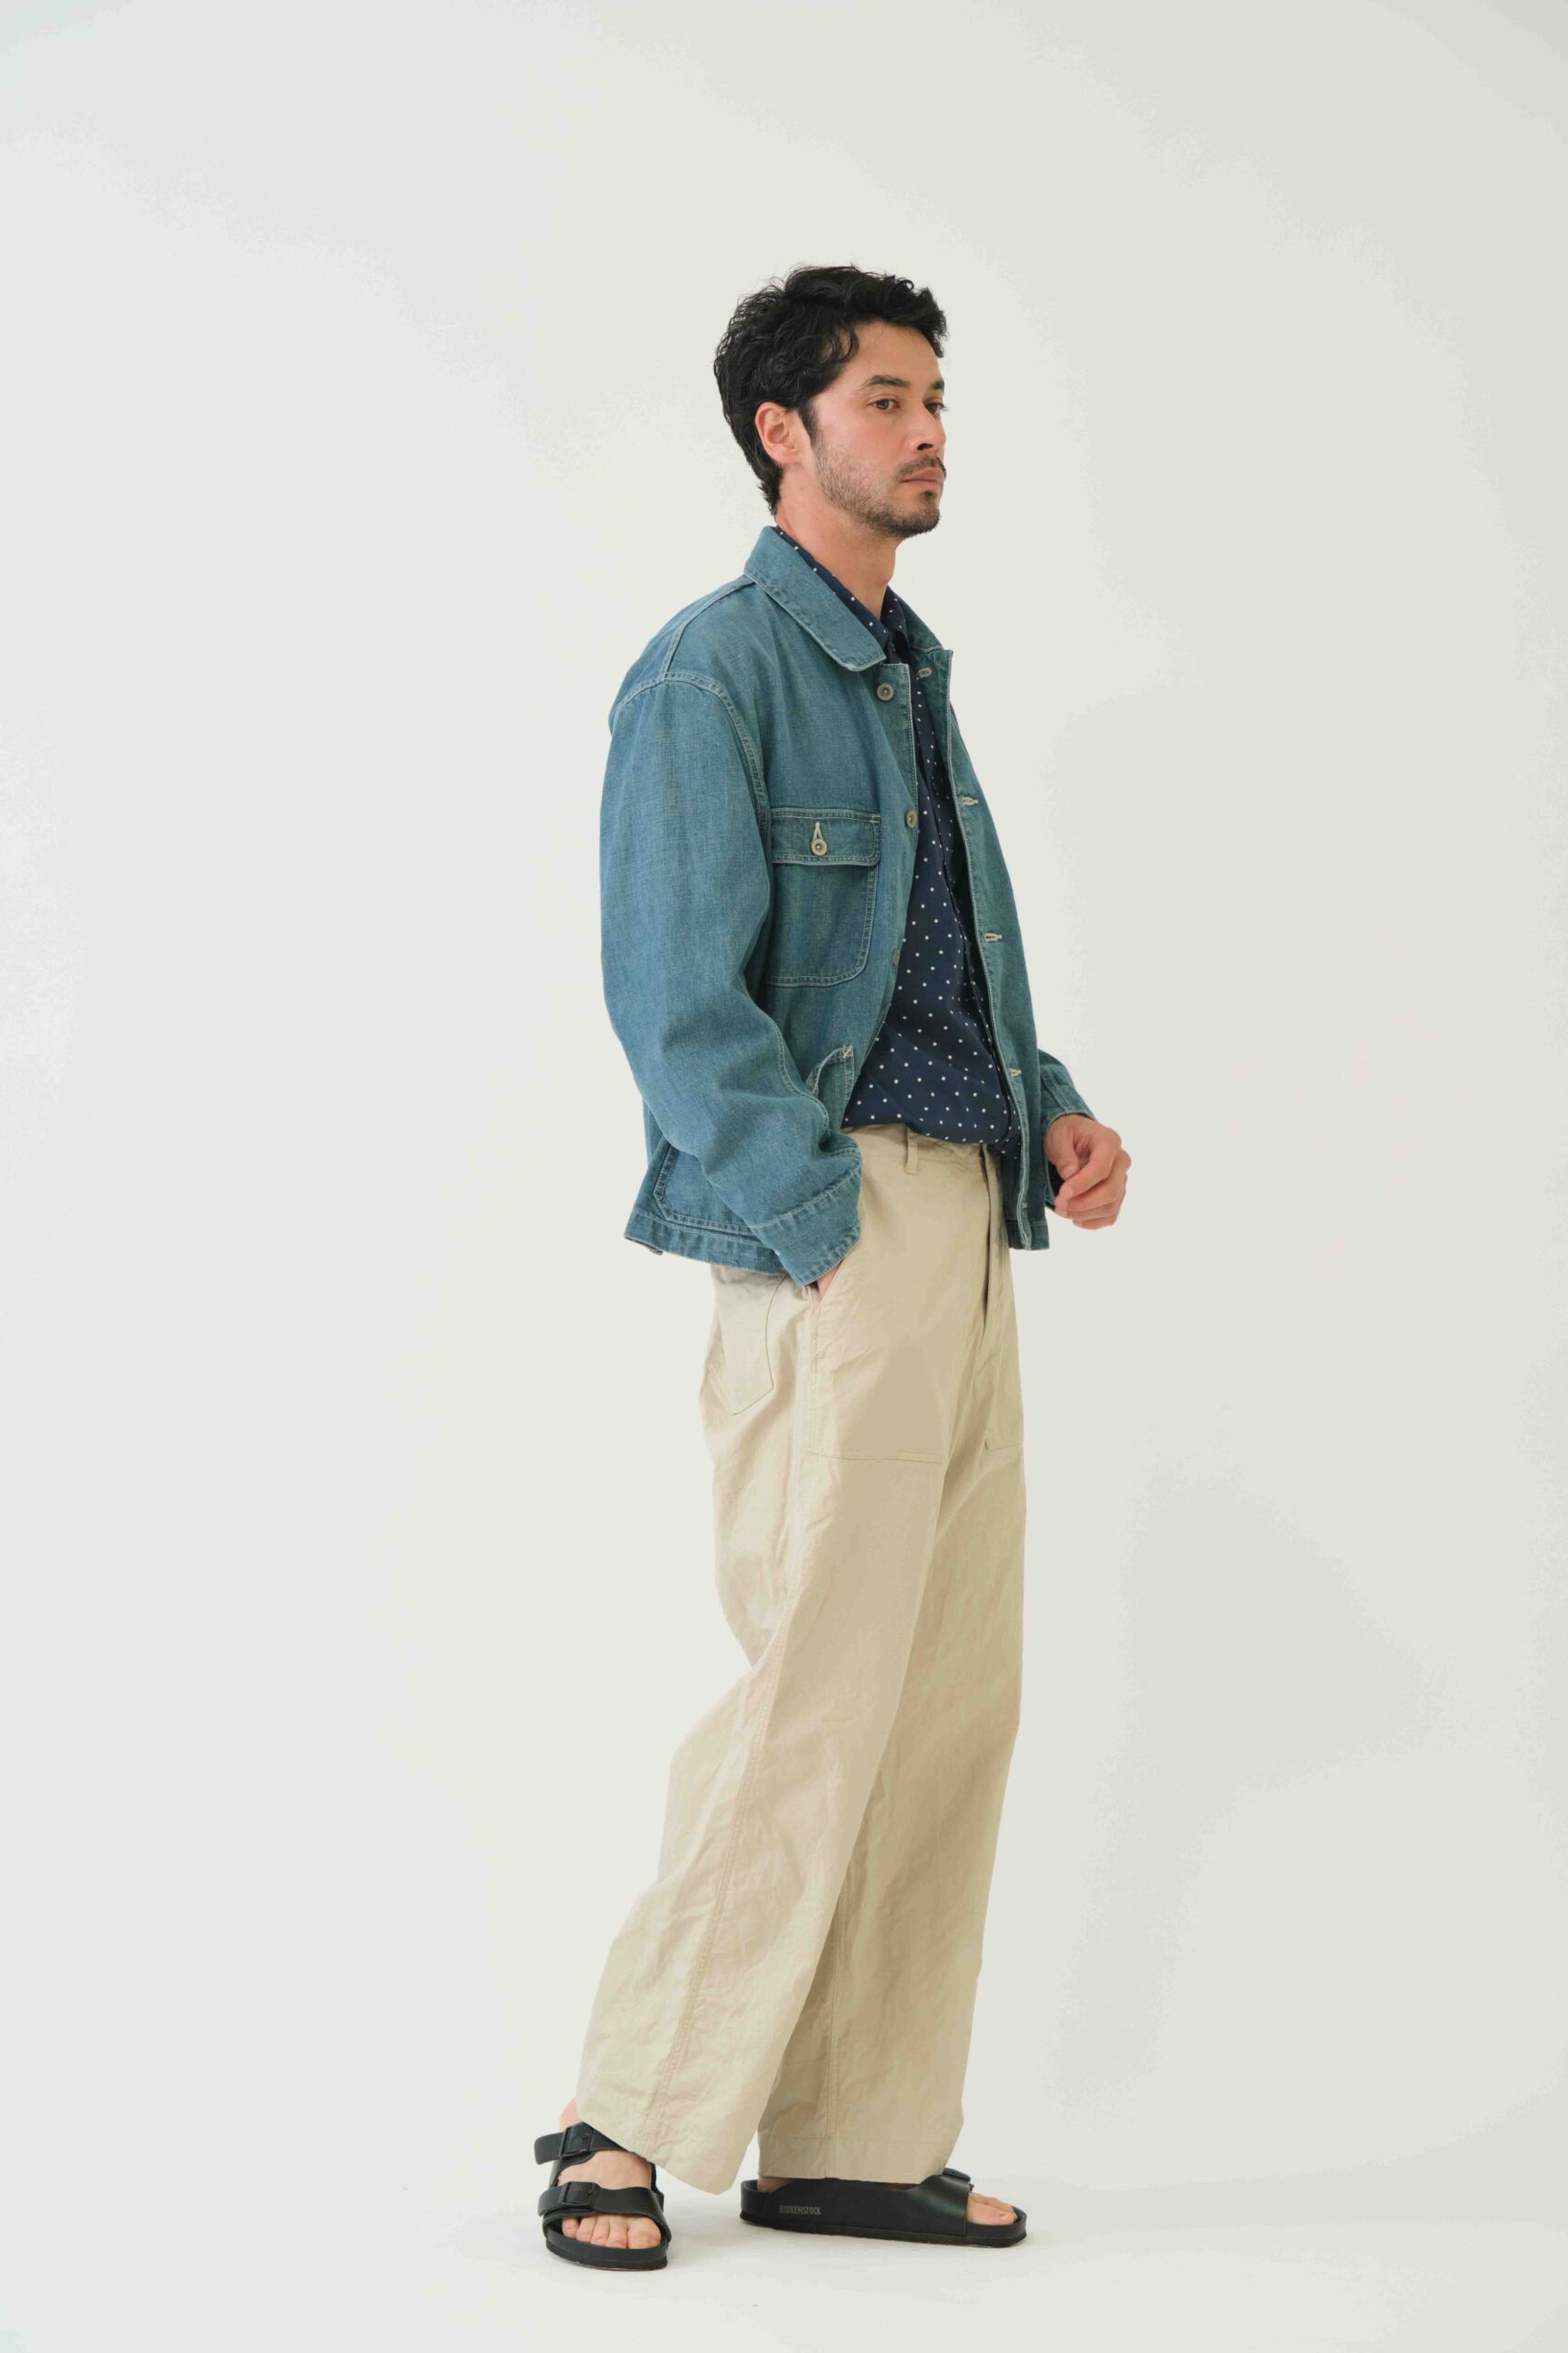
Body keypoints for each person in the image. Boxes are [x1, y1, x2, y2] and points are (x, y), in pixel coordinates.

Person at [535, 264, 1130, 2273]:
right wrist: (817, 1225)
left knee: (948, 1696)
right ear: (780, 432)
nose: (928, 429)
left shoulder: (905, 675)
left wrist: (1048, 1104)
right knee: (814, 1684)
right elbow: (674, 1000)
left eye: (935, 397)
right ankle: (624, 2113)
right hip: (841, 1227)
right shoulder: (711, 674)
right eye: (886, 399)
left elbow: (933, 966)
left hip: (964, 1207)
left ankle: (853, 2132)